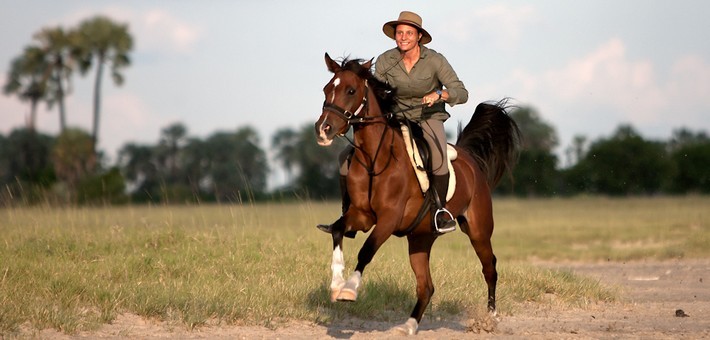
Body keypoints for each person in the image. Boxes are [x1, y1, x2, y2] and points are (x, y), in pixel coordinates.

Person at [317, 10, 468, 235]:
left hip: (428, 118)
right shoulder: (386, 60)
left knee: (438, 157)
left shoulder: (435, 60)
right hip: (395, 118)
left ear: (419, 36)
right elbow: (376, 91)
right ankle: (348, 213)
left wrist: (439, 94)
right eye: (399, 33)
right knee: (344, 158)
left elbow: (461, 92)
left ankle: (440, 212)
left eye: (409, 33)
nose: (403, 37)